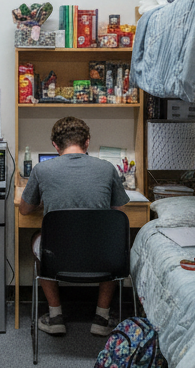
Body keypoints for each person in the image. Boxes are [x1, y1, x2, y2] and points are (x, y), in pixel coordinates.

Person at [19, 115, 129, 338]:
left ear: (55, 145)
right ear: (87, 142)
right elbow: (118, 211)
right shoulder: (107, 169)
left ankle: (55, 315)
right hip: (100, 254)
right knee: (114, 242)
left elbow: (24, 211)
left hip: (59, 255)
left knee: (38, 239)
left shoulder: (41, 170)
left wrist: (46, 199)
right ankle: (102, 317)